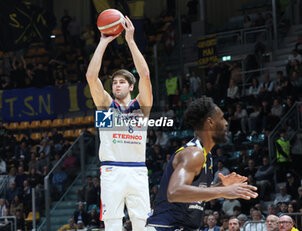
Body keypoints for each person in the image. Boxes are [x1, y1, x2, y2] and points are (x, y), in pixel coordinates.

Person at [146, 96, 258, 230]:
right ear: (210, 122)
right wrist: (224, 190)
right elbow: (175, 192)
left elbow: (195, 195)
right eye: (221, 118)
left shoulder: (207, 156)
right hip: (166, 227)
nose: (226, 123)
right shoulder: (193, 153)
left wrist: (220, 188)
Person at [86, 16, 153, 231]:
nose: (117, 85)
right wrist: (104, 42)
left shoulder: (141, 107)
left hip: (138, 171)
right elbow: (90, 76)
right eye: (114, 82)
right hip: (112, 170)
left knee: (142, 225)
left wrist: (130, 41)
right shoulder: (106, 106)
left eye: (122, 82)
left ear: (130, 86)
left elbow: (145, 74)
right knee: (112, 226)